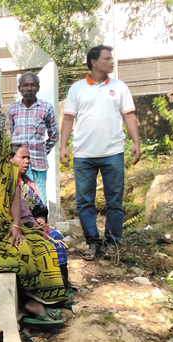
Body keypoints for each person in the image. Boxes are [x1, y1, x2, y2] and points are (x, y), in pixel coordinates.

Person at [0, 127, 68, 324]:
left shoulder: (10, 170)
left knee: (43, 244)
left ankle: (44, 298)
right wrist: (6, 226)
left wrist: (15, 225)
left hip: (9, 223)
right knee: (21, 247)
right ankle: (30, 303)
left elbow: (15, 200)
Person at [60, 45, 140, 261]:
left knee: (114, 201)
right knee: (85, 202)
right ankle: (93, 243)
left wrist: (136, 143)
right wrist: (63, 146)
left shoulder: (120, 87)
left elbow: (129, 116)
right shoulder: (77, 88)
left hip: (113, 153)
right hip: (83, 155)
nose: (111, 61)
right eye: (107, 58)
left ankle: (113, 243)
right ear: (94, 62)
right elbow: (68, 118)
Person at [7, 73, 59, 204]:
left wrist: (42, 150)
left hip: (38, 162)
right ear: (19, 89)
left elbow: (54, 135)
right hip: (17, 163)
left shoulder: (46, 108)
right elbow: (13, 133)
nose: (29, 88)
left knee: (39, 196)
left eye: (32, 85)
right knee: (19, 195)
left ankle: (41, 223)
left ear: (38, 88)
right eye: (25, 85)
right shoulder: (12, 108)